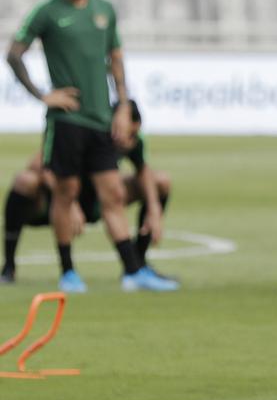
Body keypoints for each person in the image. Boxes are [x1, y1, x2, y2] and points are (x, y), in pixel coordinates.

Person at [6, 0, 177, 293]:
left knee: (112, 193)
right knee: (65, 194)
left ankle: (133, 272)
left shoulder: (104, 10)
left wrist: (124, 104)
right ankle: (68, 272)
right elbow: (14, 53)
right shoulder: (48, 12)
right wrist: (43, 95)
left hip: (101, 118)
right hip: (67, 121)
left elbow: (115, 57)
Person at [2, 101, 172, 283]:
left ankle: (138, 265)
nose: (122, 136)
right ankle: (10, 267)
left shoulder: (135, 140)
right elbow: (42, 166)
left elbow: (142, 170)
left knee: (160, 181)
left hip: (99, 198)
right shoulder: (89, 131)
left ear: (136, 127)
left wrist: (154, 209)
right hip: (58, 200)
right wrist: (70, 201)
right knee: (25, 181)